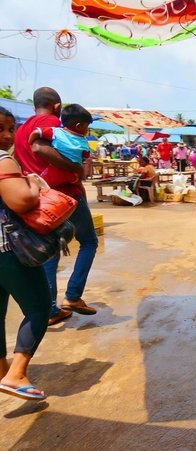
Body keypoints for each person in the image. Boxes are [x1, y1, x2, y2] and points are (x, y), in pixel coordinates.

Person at [13, 87, 98, 326]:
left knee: (51, 250)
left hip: (39, 195)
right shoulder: (53, 122)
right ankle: (72, 296)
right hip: (65, 195)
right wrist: (76, 169)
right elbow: (40, 148)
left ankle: (49, 308)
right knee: (89, 241)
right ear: (58, 107)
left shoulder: (20, 130)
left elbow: (28, 156)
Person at [0, 107, 51, 400]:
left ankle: (1, 371)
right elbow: (22, 201)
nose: (7, 136)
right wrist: (31, 183)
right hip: (7, 249)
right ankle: (16, 373)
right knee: (39, 307)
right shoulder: (3, 160)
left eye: (11, 129)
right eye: (0, 129)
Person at [27, 103, 93, 189]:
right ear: (79, 126)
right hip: (72, 175)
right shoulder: (84, 142)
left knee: (43, 186)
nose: (87, 129)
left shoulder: (55, 132)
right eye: (87, 126)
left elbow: (36, 132)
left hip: (54, 170)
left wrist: (30, 141)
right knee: (77, 186)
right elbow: (85, 157)